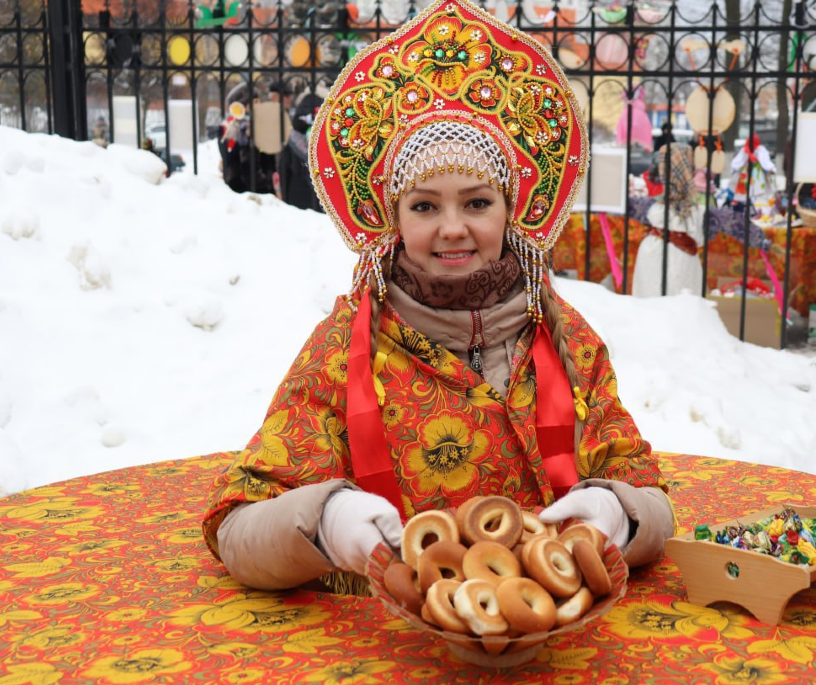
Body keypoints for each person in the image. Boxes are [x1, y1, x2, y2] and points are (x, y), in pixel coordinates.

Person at [201, 0, 676, 594]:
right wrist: (325, 519)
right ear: (393, 218)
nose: (453, 228)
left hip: (554, 647)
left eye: (477, 203)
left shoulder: (565, 337)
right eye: (425, 206)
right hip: (392, 662)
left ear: (511, 210)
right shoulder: (347, 347)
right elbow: (238, 524)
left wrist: (617, 514)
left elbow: (647, 491)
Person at [631, 143, 705, 298]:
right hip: (670, 258)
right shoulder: (691, 208)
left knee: (657, 306)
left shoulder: (653, 205)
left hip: (659, 254)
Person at [218, 84, 276, 195]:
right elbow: (232, 160)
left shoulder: (260, 125)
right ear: (243, 106)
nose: (259, 106)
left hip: (261, 186)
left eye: (259, 102)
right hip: (241, 189)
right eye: (255, 102)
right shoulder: (230, 128)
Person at [277, 92, 324, 212]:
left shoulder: (292, 141)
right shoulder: (325, 143)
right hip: (320, 201)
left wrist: (284, 196)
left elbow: (283, 170)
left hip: (296, 200)